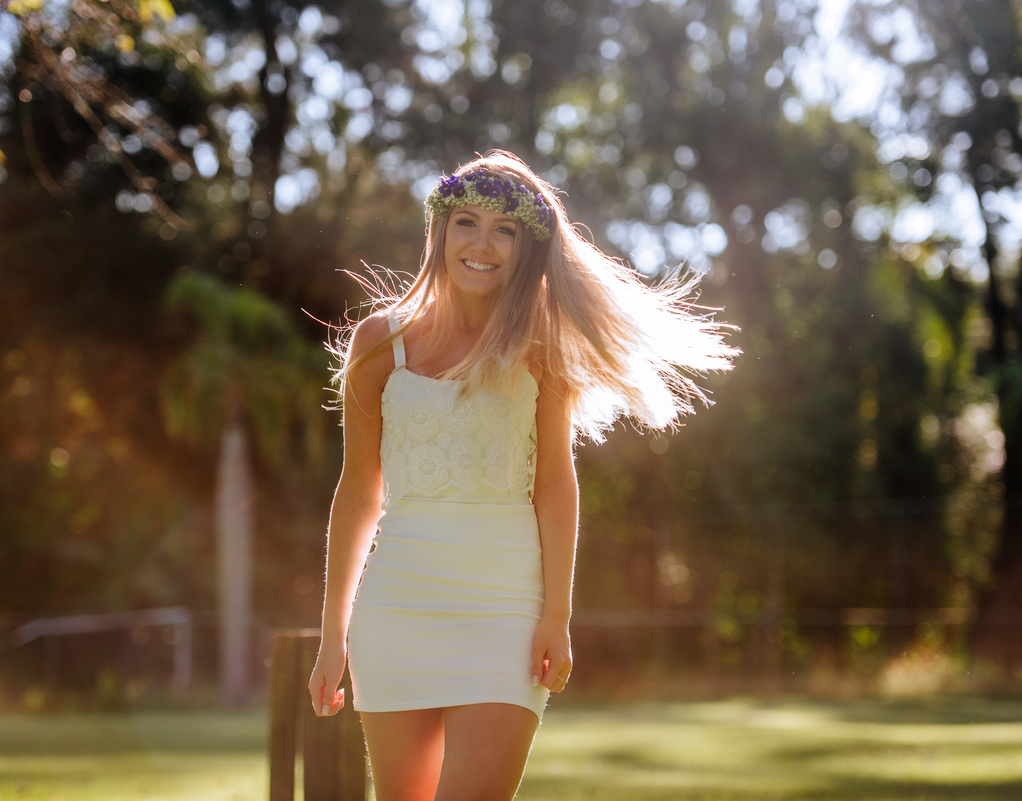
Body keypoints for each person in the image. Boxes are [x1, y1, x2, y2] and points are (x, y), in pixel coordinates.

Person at [308, 150, 736, 800]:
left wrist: (556, 615)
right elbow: (357, 492)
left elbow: (555, 484)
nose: (482, 245)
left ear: (527, 246)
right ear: (440, 231)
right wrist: (332, 635)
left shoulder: (540, 344)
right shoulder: (378, 343)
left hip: (504, 609)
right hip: (396, 608)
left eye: (504, 230)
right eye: (467, 223)